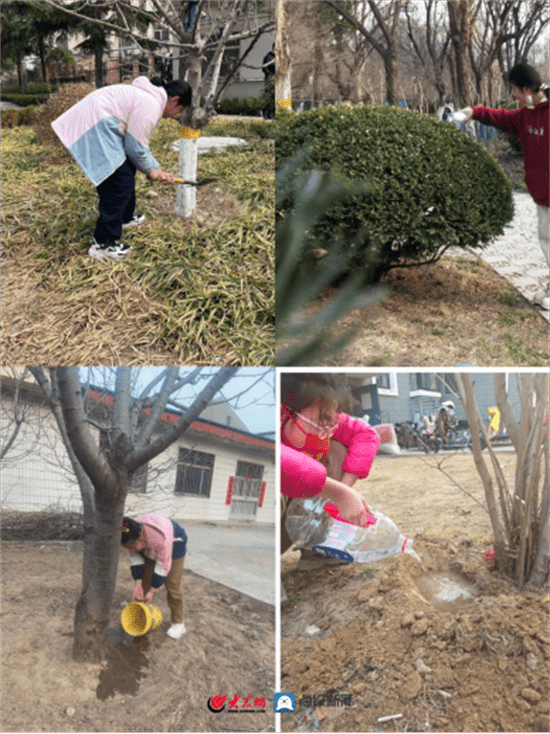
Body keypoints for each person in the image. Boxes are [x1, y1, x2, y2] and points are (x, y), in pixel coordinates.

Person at [51, 76, 192, 261]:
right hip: (95, 125)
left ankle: (125, 217)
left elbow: (136, 146)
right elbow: (135, 147)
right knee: (119, 182)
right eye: (179, 110)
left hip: (98, 122)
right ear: (174, 101)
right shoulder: (150, 104)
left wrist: (153, 168)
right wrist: (152, 171)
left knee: (126, 169)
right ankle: (102, 243)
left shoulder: (147, 97)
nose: (175, 115)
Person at [456, 63, 549, 310]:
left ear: (528, 89)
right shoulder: (525, 115)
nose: (514, 97)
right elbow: (501, 117)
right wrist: (473, 112)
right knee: (547, 242)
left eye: (516, 91)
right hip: (542, 195)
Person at [280, 373, 381, 565]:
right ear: (282, 414)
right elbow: (284, 461)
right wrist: (337, 491)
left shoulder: (321, 416)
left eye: (331, 422)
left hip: (299, 512)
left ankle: (316, 547)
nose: (324, 431)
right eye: (319, 423)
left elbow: (366, 434)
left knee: (335, 451)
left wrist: (345, 488)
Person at [121, 513, 188, 639]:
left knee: (173, 583)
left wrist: (153, 590)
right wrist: (138, 584)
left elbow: (163, 566)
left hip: (175, 541)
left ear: (140, 537)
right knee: (145, 580)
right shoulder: (130, 534)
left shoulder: (160, 538)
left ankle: (179, 623)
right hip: (149, 543)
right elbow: (136, 560)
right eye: (127, 548)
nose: (131, 550)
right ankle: (142, 615)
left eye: (132, 547)